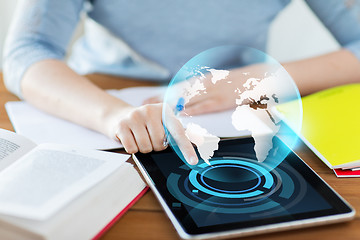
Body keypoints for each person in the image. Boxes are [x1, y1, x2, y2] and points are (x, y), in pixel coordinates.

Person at [3, 0, 360, 165]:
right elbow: (25, 51)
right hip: (98, 98)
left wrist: (256, 80)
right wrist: (113, 115)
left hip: (237, 114)